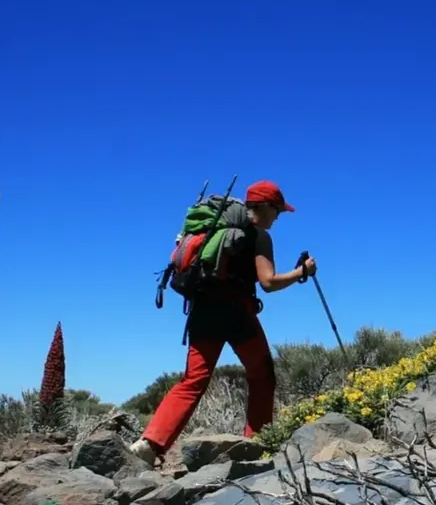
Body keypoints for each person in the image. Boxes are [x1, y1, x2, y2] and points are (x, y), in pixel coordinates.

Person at [128, 180, 315, 465]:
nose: (277, 218)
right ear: (265, 207)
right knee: (262, 375)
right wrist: (301, 272)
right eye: (277, 211)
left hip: (202, 311)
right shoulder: (258, 236)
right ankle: (259, 442)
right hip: (237, 314)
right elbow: (268, 282)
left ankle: (150, 443)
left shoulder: (210, 229)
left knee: (193, 380)